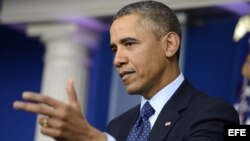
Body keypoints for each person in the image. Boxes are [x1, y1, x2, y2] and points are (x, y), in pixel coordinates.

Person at [13, 1, 239, 141]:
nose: (118, 60)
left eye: (129, 43)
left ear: (169, 45)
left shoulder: (214, 115)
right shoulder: (118, 126)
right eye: (114, 48)